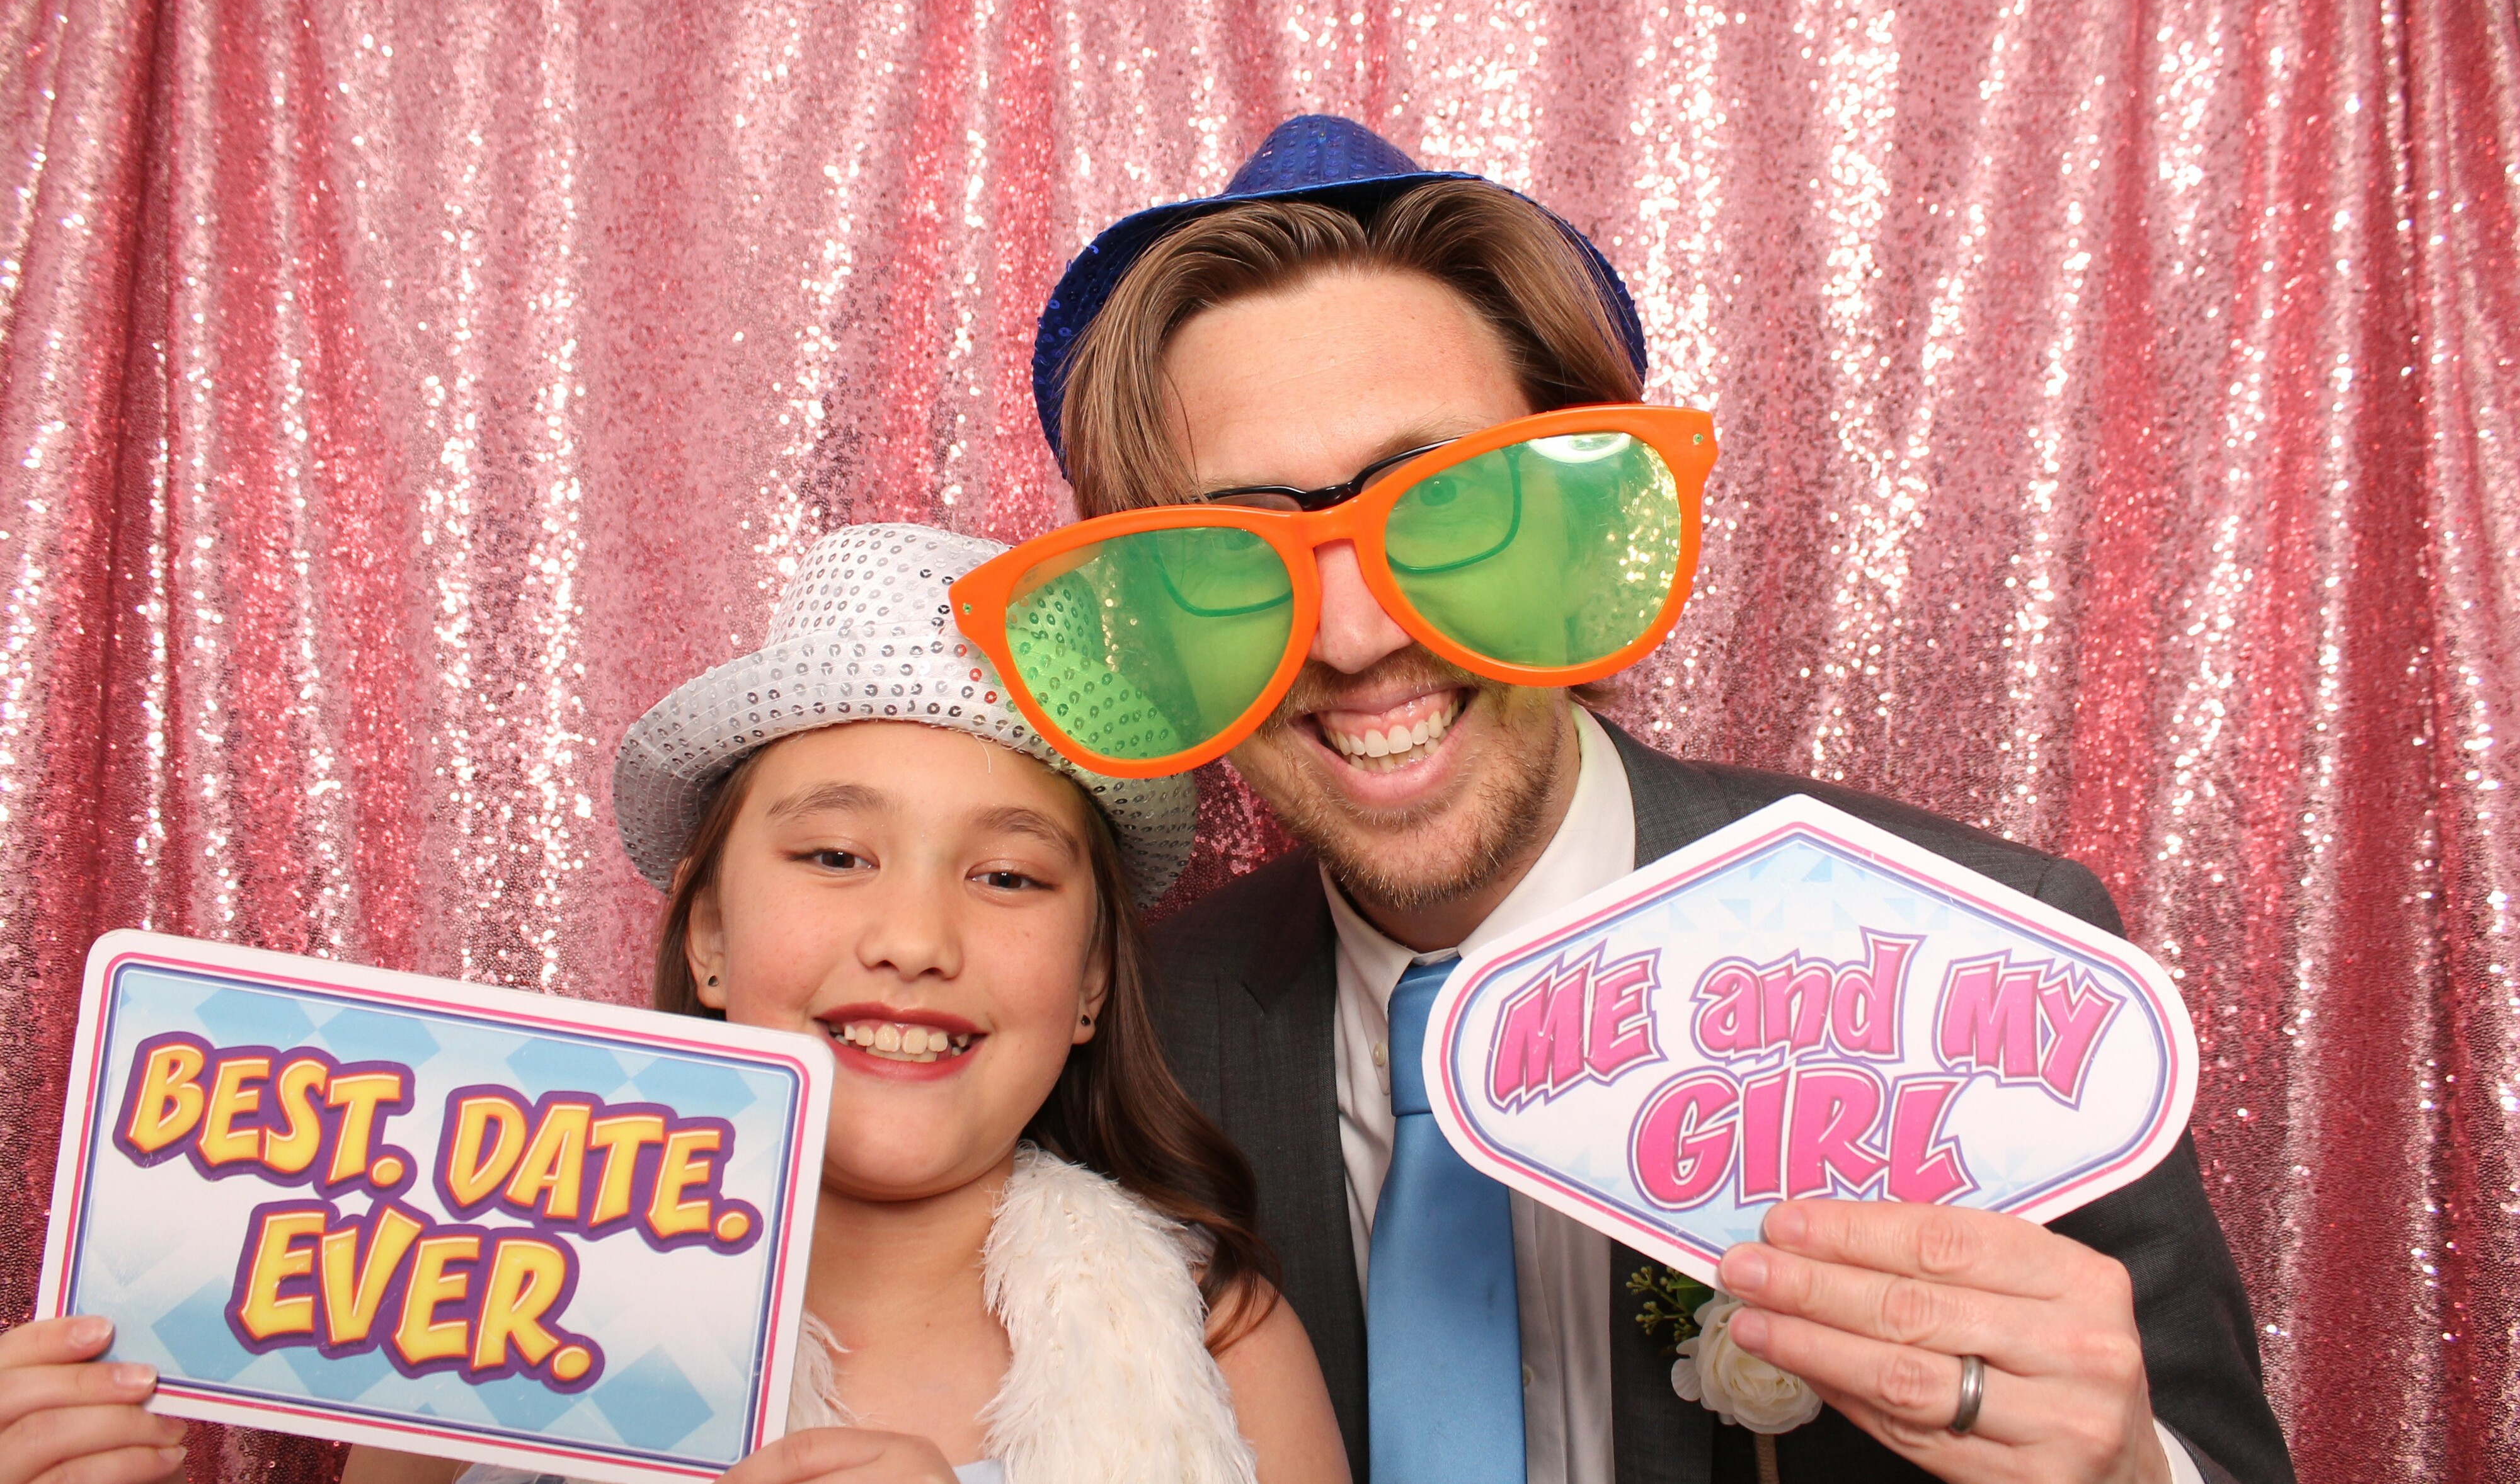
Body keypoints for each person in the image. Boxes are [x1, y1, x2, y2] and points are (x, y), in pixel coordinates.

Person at [1009, 115, 2297, 1484]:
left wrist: (2134, 1470)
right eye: (1231, 556)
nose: (1353, 634)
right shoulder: (1129, 1035)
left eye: (1452, 507)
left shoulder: (1989, 959)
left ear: (1589, 532)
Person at [0, 525, 1349, 1484]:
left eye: (1005, 875)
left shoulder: (1218, 1341)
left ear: (1092, 980)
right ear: (708, 937)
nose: (913, 941)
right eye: (835, 855)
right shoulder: (469, 1310)